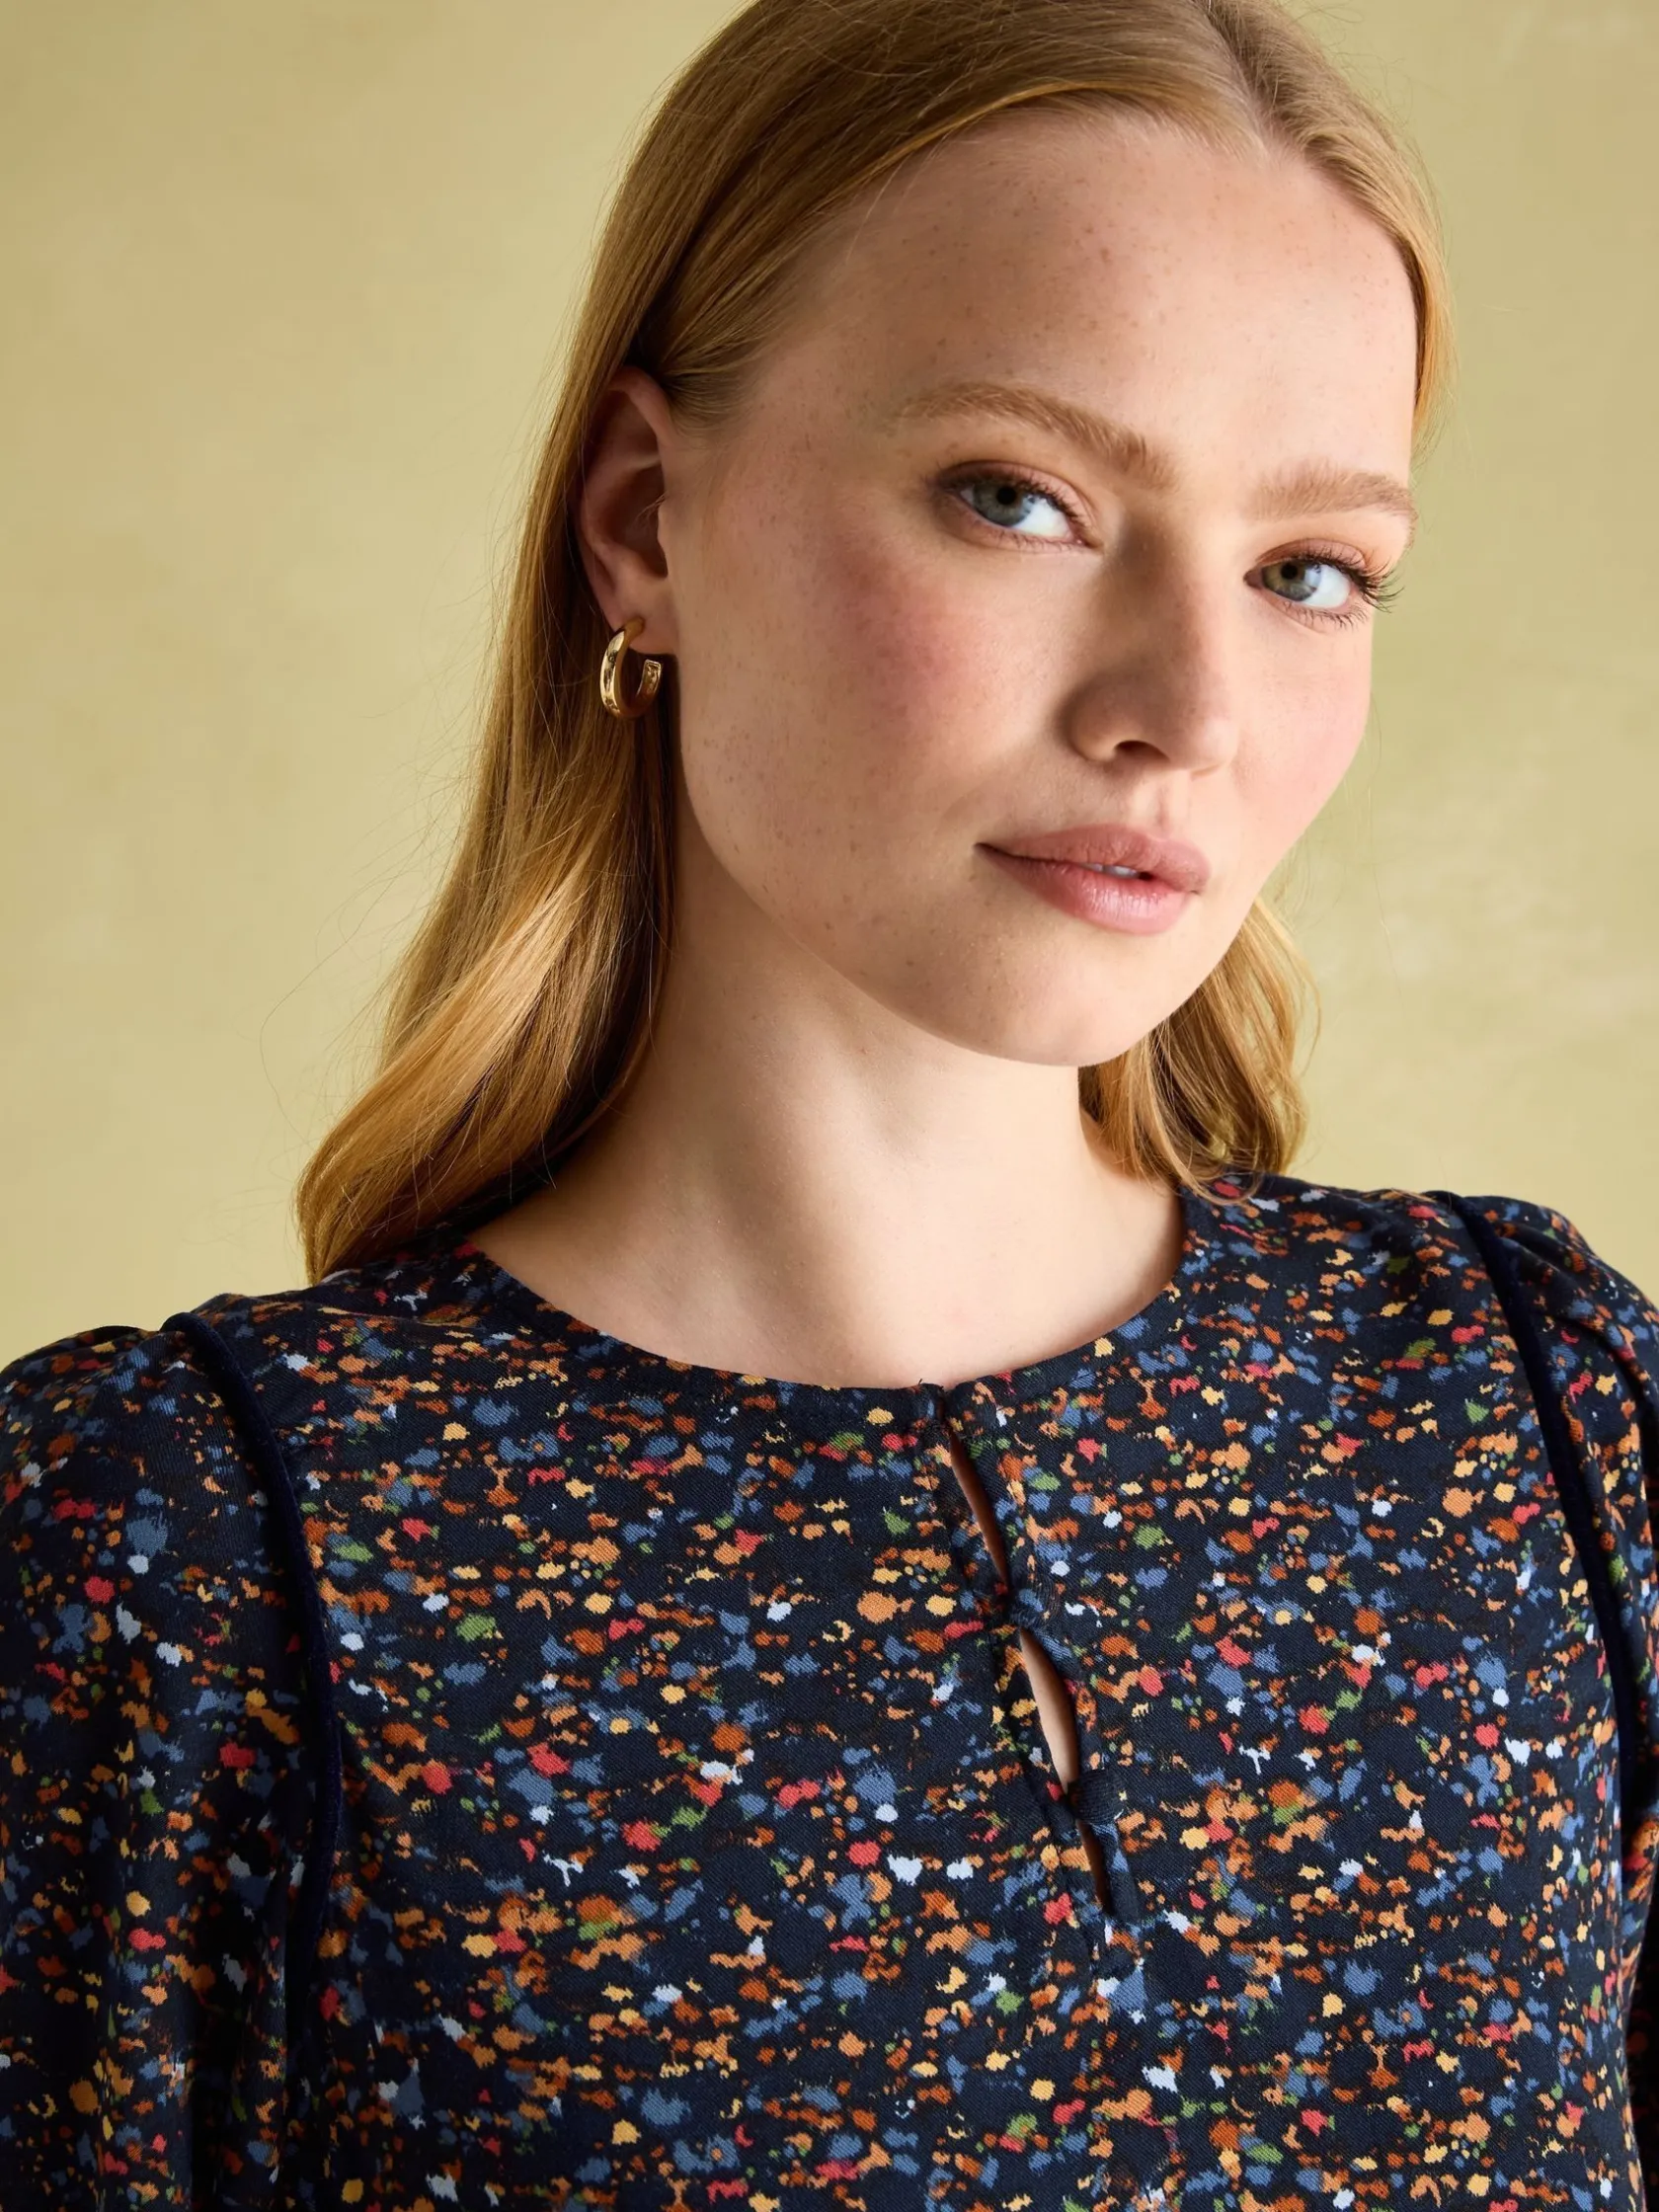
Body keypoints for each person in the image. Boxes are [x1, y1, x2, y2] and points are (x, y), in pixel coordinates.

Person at [3, 0, 1655, 2202]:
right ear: (642, 522)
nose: (1191, 707)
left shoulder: (1536, 1412)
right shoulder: (173, 1561)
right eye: (1021, 498)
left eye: (1310, 571)